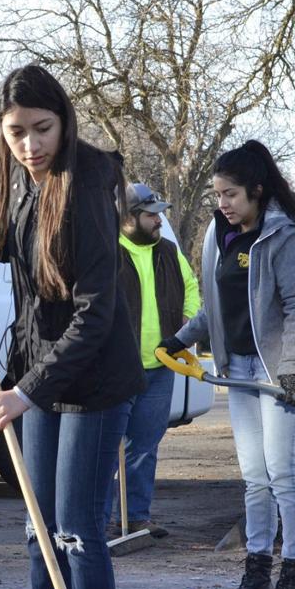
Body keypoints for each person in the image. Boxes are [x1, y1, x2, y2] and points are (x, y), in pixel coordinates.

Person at [0, 64, 144, 589]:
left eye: (42, 129)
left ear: (64, 121)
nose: (30, 145)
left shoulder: (88, 185)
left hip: (94, 380)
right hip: (42, 373)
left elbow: (95, 313)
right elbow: (14, 242)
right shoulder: (24, 179)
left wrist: (24, 392)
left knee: (75, 532)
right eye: (16, 132)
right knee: (38, 530)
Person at [160, 140, 295, 589]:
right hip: (239, 369)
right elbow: (216, 308)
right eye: (218, 194)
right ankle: (257, 574)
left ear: (257, 190)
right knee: (255, 478)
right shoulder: (222, 235)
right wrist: (178, 340)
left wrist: (290, 369)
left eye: (230, 194)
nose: (223, 203)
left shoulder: (289, 235)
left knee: (285, 474)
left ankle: (294, 579)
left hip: (284, 372)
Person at [104, 183, 200, 539]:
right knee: (104, 449)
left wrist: (188, 321)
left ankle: (135, 518)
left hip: (160, 367)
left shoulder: (168, 250)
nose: (159, 220)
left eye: (159, 213)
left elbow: (191, 288)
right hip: (117, 368)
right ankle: (99, 521)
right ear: (128, 217)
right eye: (151, 214)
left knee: (144, 447)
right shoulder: (108, 250)